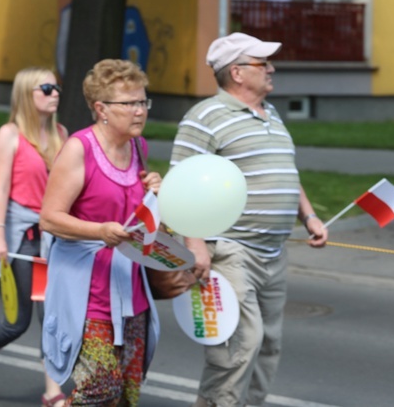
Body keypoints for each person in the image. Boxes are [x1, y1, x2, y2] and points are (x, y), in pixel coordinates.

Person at [171, 32, 328, 407]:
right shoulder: (205, 117)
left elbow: (283, 170)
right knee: (240, 344)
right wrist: (195, 246)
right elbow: (180, 185)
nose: (272, 69)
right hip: (230, 249)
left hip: (273, 253)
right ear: (238, 73)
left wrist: (308, 215)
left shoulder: (270, 114)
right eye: (263, 64)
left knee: (268, 346)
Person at [40, 59, 162, 406]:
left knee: (126, 392)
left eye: (143, 102)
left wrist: (153, 189)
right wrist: (99, 231)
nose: (140, 111)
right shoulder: (80, 149)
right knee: (98, 389)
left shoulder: (138, 147)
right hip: (88, 293)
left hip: (131, 289)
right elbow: (49, 218)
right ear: (101, 108)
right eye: (130, 104)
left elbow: (135, 211)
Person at [0, 68, 68, 406]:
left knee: (50, 316)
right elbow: (0, 190)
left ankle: (52, 392)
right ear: (27, 93)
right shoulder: (9, 135)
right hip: (20, 238)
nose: (55, 93)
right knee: (17, 322)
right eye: (47, 88)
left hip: (53, 238)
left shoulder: (62, 134)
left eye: (57, 87)